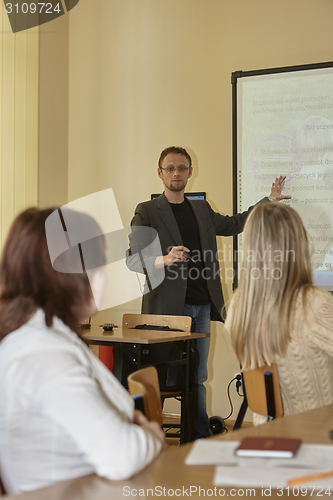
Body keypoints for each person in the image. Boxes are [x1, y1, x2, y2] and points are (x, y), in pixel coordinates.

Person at [126, 146, 290, 438]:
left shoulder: (201, 209)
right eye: (170, 168)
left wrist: (269, 200)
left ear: (190, 172)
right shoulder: (148, 211)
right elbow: (132, 258)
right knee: (162, 376)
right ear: (160, 173)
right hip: (166, 311)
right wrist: (164, 258)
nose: (176, 173)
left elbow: (234, 224)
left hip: (202, 306)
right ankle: (149, 438)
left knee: (198, 377)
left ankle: (198, 435)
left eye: (182, 168)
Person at [0, 207, 164, 496]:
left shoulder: (42, 336)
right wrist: (150, 436)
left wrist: (125, 424)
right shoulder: (45, 355)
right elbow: (121, 455)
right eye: (100, 262)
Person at [225, 202, 333, 425]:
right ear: (300, 243)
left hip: (269, 436)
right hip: (317, 437)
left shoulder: (238, 307)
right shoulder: (314, 305)